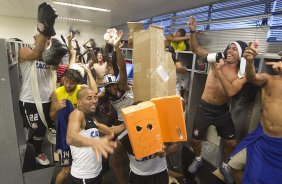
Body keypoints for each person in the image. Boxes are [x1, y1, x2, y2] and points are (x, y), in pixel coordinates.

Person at [187, 16, 247, 183]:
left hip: (221, 111)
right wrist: (193, 31)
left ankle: (225, 165)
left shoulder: (241, 74)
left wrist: (219, 70)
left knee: (232, 142)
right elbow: (195, 48)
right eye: (229, 47)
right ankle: (198, 159)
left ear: (240, 54)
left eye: (234, 49)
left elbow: (230, 92)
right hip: (204, 107)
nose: (229, 50)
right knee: (196, 139)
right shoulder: (216, 58)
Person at [227, 43, 282, 184]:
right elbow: (252, 78)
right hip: (261, 139)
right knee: (234, 165)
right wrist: (250, 61)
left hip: (279, 146)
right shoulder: (268, 79)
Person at [18, 2, 58, 166]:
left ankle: (39, 144)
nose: (46, 42)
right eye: (43, 39)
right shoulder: (25, 51)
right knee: (38, 129)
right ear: (35, 38)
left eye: (48, 40)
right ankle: (36, 151)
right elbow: (36, 53)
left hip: (45, 99)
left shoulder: (49, 56)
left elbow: (54, 68)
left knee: (49, 127)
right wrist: (44, 28)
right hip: (29, 100)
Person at [66, 87, 117, 184]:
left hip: (96, 173)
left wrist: (127, 124)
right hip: (83, 177)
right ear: (79, 102)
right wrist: (94, 142)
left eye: (95, 97)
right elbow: (70, 137)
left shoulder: (91, 119)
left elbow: (110, 130)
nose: (94, 101)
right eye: (89, 98)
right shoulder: (77, 114)